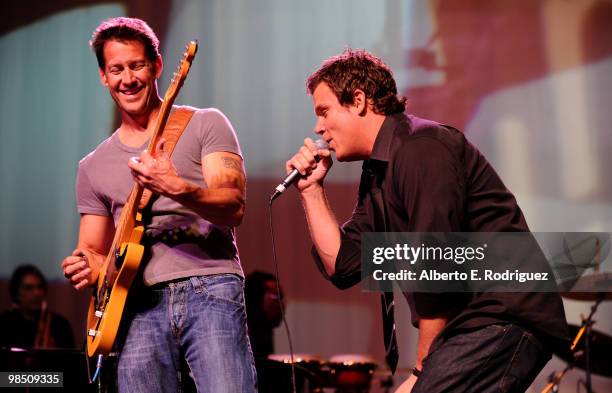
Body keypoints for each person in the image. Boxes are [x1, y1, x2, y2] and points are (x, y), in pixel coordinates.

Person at [286, 49, 568, 392]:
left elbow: (437, 265)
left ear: (358, 100)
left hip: (504, 314)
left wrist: (422, 369)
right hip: (472, 324)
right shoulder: (378, 173)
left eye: (324, 111)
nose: (318, 127)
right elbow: (344, 265)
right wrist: (311, 191)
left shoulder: (423, 148)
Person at [61, 17, 256, 393]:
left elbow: (234, 207)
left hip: (211, 286)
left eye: (137, 65)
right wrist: (85, 264)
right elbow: (93, 250)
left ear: (157, 66)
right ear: (104, 76)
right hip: (135, 305)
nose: (128, 79)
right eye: (116, 69)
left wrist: (176, 186)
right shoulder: (91, 167)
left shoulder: (205, 124)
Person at [0, 264, 74, 349]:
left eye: (40, 287)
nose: (37, 293)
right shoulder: (4, 323)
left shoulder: (59, 324)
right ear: (16, 293)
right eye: (28, 288)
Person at [244, 271, 284, 360]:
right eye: (276, 297)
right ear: (256, 298)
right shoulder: (245, 335)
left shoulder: (264, 330)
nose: (282, 304)